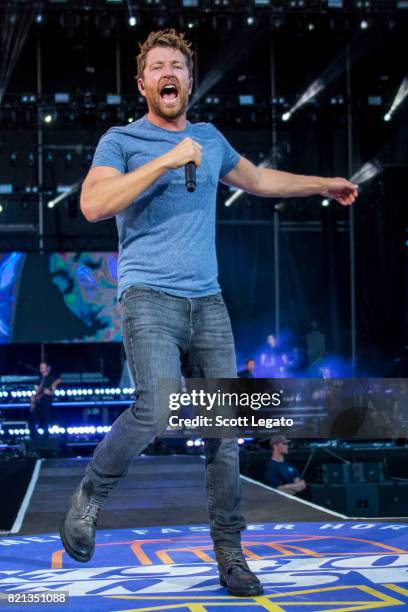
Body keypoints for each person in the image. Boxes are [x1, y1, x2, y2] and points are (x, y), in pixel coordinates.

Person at [59, 29, 358, 596]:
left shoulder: (209, 137)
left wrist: (323, 184)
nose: (168, 71)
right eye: (157, 66)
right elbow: (94, 204)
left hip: (209, 301)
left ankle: (230, 556)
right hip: (148, 296)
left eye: (178, 65)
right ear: (143, 82)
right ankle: (91, 493)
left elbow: (258, 179)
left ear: (189, 82)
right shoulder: (120, 139)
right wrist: (166, 160)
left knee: (225, 432)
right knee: (156, 406)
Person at [29, 361, 59, 437]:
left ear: (48, 368)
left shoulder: (51, 379)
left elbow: (53, 392)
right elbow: (36, 391)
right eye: (40, 366)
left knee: (46, 420)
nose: (41, 368)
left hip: (46, 402)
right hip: (38, 403)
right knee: (34, 419)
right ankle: (34, 437)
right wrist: (33, 397)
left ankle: (46, 437)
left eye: (43, 366)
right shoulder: (39, 379)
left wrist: (49, 392)